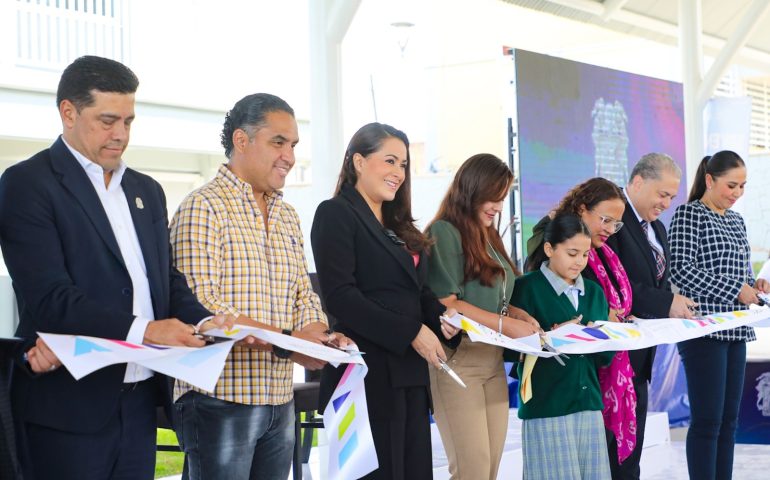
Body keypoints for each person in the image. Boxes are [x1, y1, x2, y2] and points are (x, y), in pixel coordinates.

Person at [0, 55, 226, 480]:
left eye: (128, 121)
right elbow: (50, 298)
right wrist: (147, 331)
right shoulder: (28, 184)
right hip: (68, 409)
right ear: (69, 112)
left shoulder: (147, 190)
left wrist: (206, 321)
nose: (120, 134)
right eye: (107, 121)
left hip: (139, 405)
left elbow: (164, 280)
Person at [170, 93, 346, 480]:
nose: (289, 156)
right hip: (219, 398)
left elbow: (303, 295)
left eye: (293, 145)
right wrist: (291, 342)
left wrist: (320, 337)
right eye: (278, 142)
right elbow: (204, 308)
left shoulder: (287, 215)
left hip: (278, 397)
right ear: (242, 140)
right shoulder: (203, 207)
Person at [311, 122, 459, 479]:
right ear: (358, 161)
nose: (399, 172)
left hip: (409, 373)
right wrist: (412, 332)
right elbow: (341, 297)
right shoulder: (335, 213)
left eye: (404, 164)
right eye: (390, 161)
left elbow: (416, 292)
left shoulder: (398, 225)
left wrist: (443, 318)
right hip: (367, 375)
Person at [424, 153, 540, 480]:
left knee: (488, 470)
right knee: (471, 471)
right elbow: (449, 304)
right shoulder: (444, 231)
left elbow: (495, 296)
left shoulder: (487, 233)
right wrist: (506, 324)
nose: (498, 207)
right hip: (459, 361)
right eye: (494, 197)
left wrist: (517, 315)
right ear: (473, 189)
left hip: (492, 362)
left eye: (502, 199)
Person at [526, 177, 638, 473]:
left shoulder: (602, 261)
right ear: (582, 209)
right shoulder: (536, 275)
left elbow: (603, 343)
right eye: (605, 219)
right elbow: (525, 335)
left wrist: (608, 326)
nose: (610, 229)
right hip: (553, 392)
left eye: (616, 224)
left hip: (592, 386)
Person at [669, 150, 769, 480]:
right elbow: (681, 270)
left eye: (742, 186)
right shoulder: (689, 214)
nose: (737, 193)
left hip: (737, 328)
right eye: (731, 185)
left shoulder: (737, 220)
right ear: (710, 180)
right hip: (703, 329)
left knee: (729, 421)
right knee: (708, 420)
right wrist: (735, 289)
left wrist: (755, 285)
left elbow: (740, 273)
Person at [604, 153, 696, 479]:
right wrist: (667, 302)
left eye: (672, 197)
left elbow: (658, 282)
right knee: (613, 454)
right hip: (612, 356)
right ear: (639, 182)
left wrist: (675, 307)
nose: (667, 204)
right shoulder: (612, 220)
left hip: (641, 357)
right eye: (662, 194)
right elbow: (615, 283)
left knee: (632, 454)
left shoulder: (657, 228)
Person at [512, 213, 614, 479]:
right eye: (572, 253)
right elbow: (510, 349)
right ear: (549, 249)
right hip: (547, 405)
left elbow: (605, 357)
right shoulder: (525, 288)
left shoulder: (594, 292)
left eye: (585, 254)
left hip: (588, 404)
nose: (579, 261)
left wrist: (597, 338)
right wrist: (552, 337)